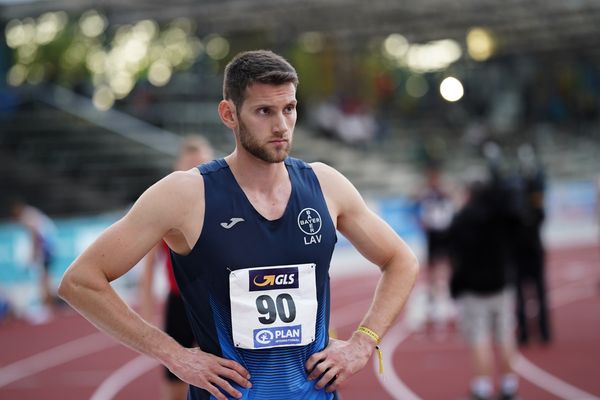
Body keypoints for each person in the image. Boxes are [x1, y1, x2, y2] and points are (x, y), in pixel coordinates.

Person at [58, 50, 419, 400]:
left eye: (289, 109)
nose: (281, 125)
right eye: (264, 111)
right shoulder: (186, 195)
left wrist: (363, 342)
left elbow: (402, 260)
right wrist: (175, 355)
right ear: (229, 114)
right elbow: (81, 282)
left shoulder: (325, 186)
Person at [138, 135, 214, 400]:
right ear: (176, 170)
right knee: (175, 378)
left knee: (227, 376)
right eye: (189, 166)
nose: (195, 173)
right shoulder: (164, 209)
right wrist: (147, 315)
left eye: (201, 165)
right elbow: (148, 267)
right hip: (179, 302)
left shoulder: (222, 203)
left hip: (217, 304)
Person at [448, 172, 520, 400]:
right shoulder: (498, 216)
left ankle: (482, 387)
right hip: (500, 284)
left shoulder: (462, 219)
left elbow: (453, 252)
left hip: (473, 288)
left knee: (479, 339)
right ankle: (509, 385)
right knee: (505, 336)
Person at [514, 144, 551, 346]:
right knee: (533, 292)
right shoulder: (528, 191)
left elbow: (541, 215)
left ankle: (533, 333)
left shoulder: (525, 191)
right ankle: (537, 333)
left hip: (527, 248)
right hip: (529, 247)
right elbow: (542, 216)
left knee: (530, 292)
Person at [415, 165, 455, 333]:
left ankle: (451, 298)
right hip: (432, 233)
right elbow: (413, 201)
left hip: (445, 232)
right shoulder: (425, 193)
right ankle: (432, 302)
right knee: (431, 269)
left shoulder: (445, 190)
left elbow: (454, 198)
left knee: (448, 266)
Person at [9, 199, 57, 310]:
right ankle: (49, 304)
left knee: (43, 278)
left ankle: (47, 306)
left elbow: (35, 235)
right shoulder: (31, 212)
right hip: (49, 246)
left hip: (46, 248)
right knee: (45, 277)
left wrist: (33, 254)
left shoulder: (26, 216)